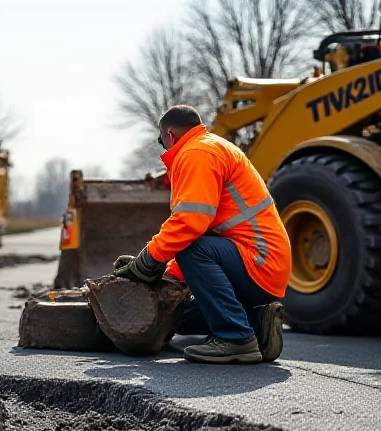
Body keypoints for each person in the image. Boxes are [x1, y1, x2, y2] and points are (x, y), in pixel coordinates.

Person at [114, 105, 291, 364]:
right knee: (179, 317)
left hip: (259, 263)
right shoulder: (210, 147)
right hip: (259, 265)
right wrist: (165, 276)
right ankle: (258, 324)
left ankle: (236, 339)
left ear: (170, 135)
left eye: (161, 141)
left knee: (190, 249)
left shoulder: (196, 153)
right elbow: (202, 235)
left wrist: (148, 260)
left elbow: (189, 225)